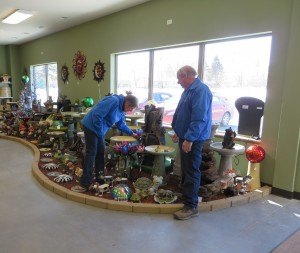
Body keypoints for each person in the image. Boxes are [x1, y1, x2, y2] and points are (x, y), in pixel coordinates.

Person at [74, 94, 138, 192]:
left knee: (101, 152)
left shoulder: (121, 110)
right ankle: (85, 183)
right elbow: (97, 115)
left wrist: (131, 133)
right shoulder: (113, 101)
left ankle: (99, 179)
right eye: (131, 108)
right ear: (127, 103)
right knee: (91, 153)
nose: (130, 111)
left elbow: (120, 124)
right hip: (91, 126)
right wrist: (99, 132)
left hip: (99, 130)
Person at [171, 65, 212, 220]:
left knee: (191, 171)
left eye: (179, 78)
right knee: (186, 169)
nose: (178, 82)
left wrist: (189, 138)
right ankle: (187, 200)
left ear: (186, 75)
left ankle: (191, 207)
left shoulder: (200, 91)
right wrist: (178, 132)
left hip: (194, 139)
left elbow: (199, 118)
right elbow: (184, 114)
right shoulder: (190, 90)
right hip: (187, 136)